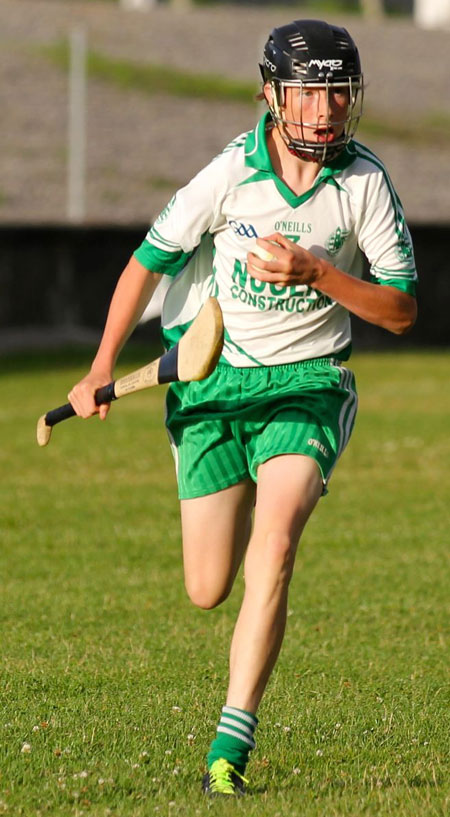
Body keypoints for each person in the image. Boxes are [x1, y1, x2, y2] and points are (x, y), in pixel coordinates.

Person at [69, 19, 417, 797]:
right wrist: (98, 366)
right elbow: (146, 262)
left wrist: (318, 273)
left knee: (278, 541)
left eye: (338, 92)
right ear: (271, 93)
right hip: (212, 386)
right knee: (206, 587)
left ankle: (228, 750)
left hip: (307, 386)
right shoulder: (229, 174)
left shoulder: (364, 183)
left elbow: (400, 312)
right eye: (308, 91)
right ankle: (254, 476)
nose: (325, 110)